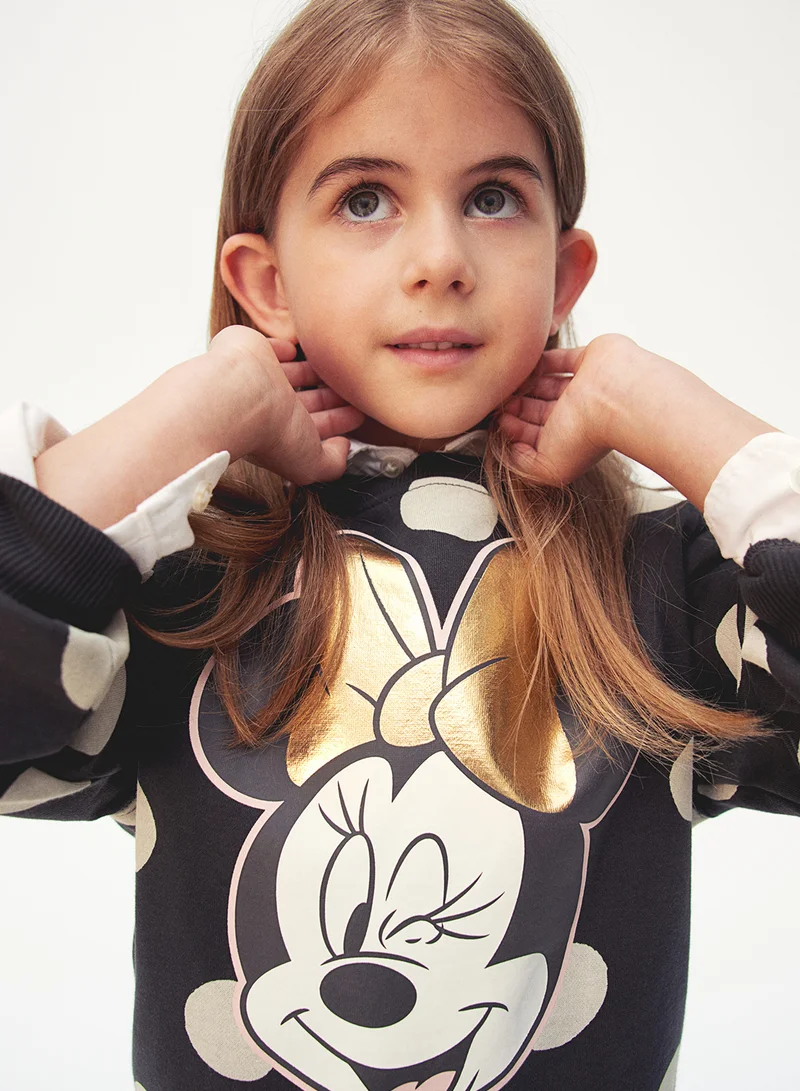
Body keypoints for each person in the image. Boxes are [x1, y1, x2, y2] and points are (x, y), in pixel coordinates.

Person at [1, 0, 798, 1088]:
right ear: (267, 283)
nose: (439, 259)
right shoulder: (189, 580)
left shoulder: (658, 576)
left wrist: (669, 409)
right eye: (365, 199)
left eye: (492, 197)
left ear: (564, 276)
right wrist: (194, 408)